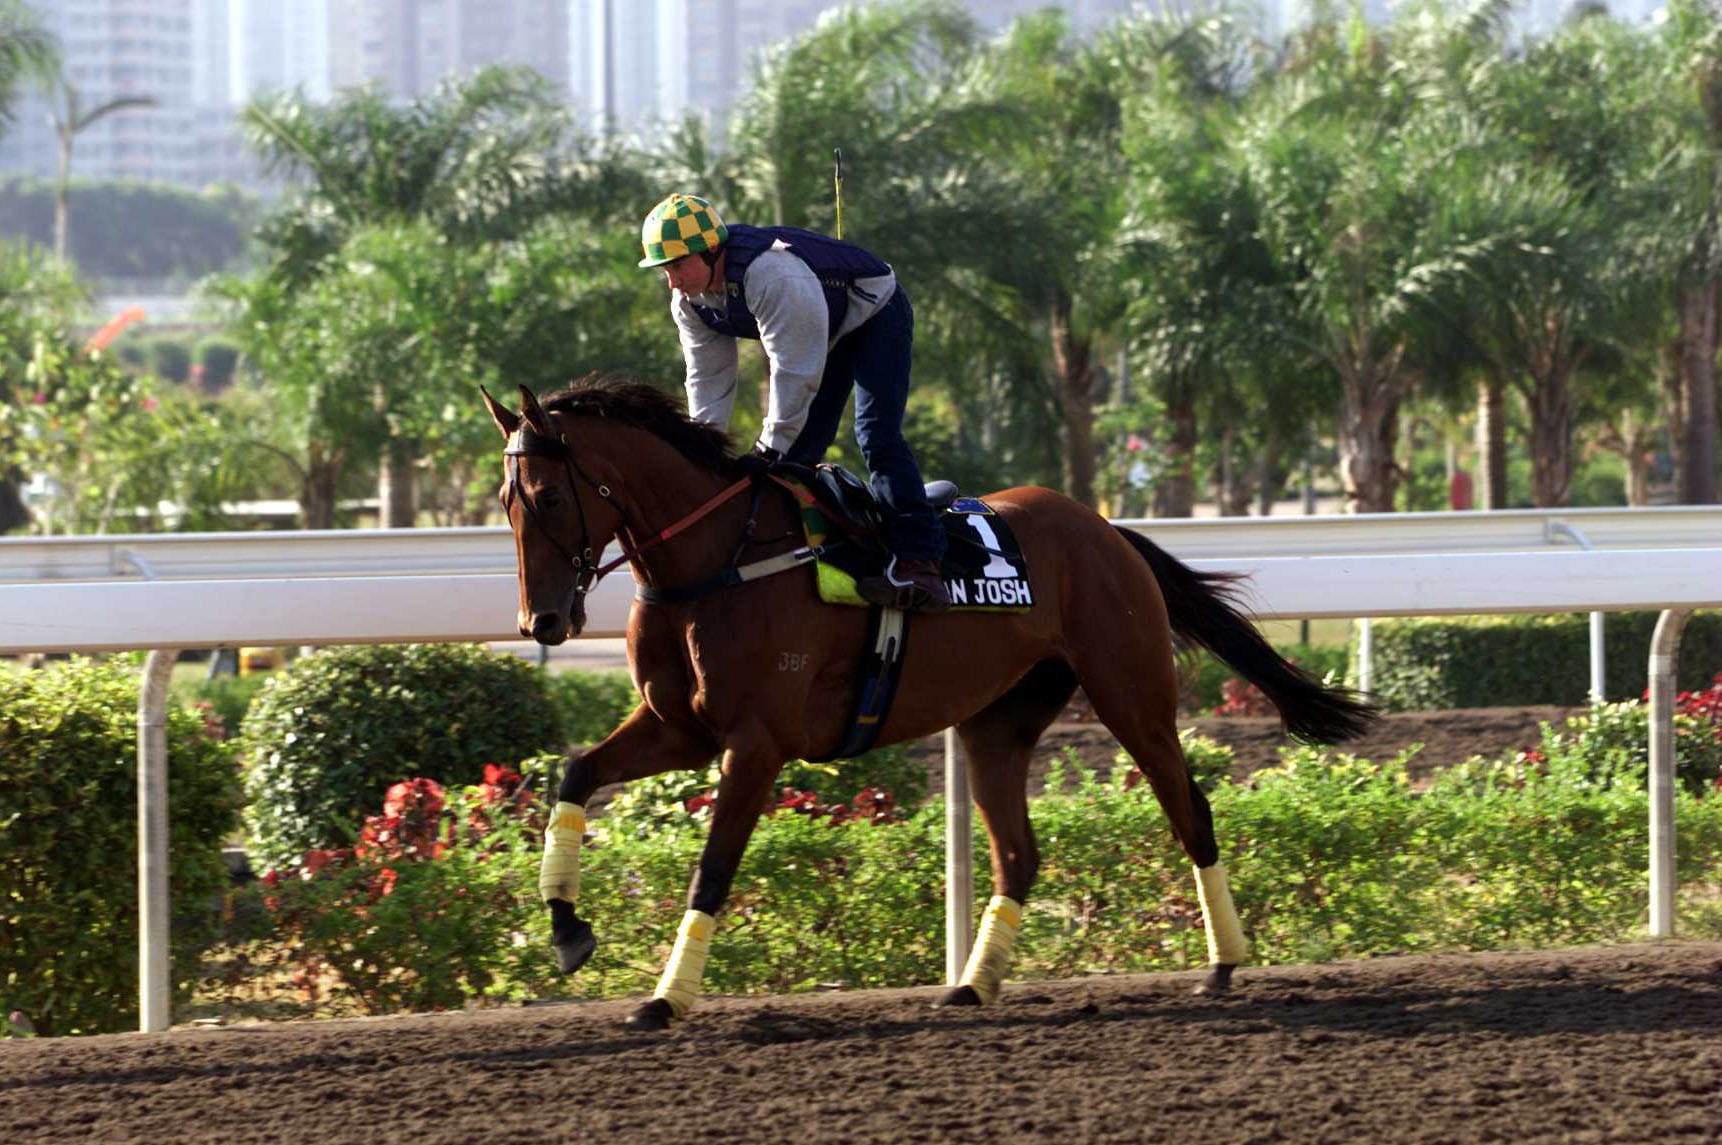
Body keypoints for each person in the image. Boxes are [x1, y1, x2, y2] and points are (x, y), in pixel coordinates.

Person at [638, 191, 950, 614]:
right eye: (664, 270)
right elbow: (708, 379)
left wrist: (768, 448)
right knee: (799, 455)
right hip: (820, 326)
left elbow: (795, 372)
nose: (672, 281)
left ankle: (920, 562)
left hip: (875, 314)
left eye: (677, 265)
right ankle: (817, 557)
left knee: (875, 434)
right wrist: (703, 449)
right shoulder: (688, 302)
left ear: (712, 251)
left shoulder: (772, 275)